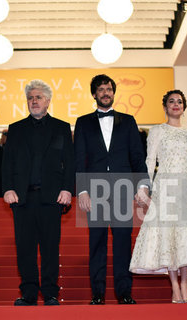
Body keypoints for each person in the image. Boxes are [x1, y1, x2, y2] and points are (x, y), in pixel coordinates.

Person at [129, 89, 187, 304]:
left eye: (179, 101)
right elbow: (150, 161)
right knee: (169, 238)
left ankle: (184, 283)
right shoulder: (157, 131)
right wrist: (144, 188)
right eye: (171, 101)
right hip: (165, 187)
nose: (176, 105)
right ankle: (174, 286)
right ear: (165, 107)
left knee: (185, 237)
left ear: (184, 106)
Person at [74, 74, 150, 305]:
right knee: (96, 242)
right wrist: (82, 190)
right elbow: (79, 158)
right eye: (101, 89)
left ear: (113, 93)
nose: (105, 93)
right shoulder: (83, 122)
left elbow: (137, 156)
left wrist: (143, 184)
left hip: (123, 188)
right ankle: (97, 293)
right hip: (94, 190)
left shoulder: (128, 121)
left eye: (109, 89)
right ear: (94, 94)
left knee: (122, 242)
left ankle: (124, 292)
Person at [2, 79, 74, 306]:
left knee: (51, 247)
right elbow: (7, 163)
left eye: (38, 97)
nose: (34, 101)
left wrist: (67, 189)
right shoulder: (15, 129)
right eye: (30, 98)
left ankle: (51, 293)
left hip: (51, 197)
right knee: (25, 247)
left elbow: (70, 162)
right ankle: (29, 293)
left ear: (48, 101)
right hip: (22, 197)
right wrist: (7, 188)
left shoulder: (62, 127)